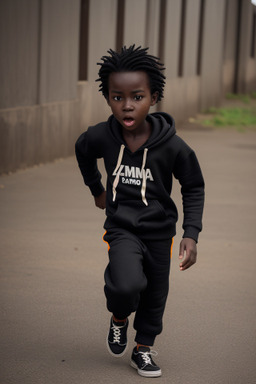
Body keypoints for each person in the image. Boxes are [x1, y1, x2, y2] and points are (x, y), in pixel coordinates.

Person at [75, 45, 204, 378]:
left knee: (155, 294)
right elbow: (82, 150)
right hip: (121, 227)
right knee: (125, 285)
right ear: (107, 98)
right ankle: (119, 318)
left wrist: (191, 233)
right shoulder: (102, 136)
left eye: (137, 96)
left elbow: (193, 186)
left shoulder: (172, 145)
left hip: (160, 233)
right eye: (117, 97)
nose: (127, 105)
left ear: (154, 97)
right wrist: (97, 189)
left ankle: (143, 349)